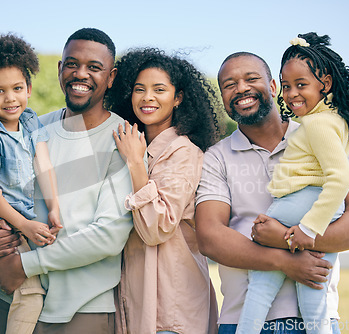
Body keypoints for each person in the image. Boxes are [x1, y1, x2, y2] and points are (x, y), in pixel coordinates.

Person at [195, 51, 349, 334]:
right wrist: (286, 260)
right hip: (241, 319)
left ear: (274, 87)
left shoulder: (320, 133)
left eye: (251, 79)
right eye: (229, 84)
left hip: (316, 321)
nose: (241, 88)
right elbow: (210, 238)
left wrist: (283, 238)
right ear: (223, 98)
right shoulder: (216, 157)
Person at [0, 28, 134, 334]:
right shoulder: (32, 126)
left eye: (94, 67)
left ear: (112, 77)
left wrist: (25, 265)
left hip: (81, 310)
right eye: (71, 64)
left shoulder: (123, 140)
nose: (81, 74)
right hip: (14, 296)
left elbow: (108, 236)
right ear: (59, 68)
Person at [104, 47, 219, 334]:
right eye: (139, 89)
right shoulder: (129, 143)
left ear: (177, 97)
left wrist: (134, 163)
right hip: (132, 301)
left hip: (172, 307)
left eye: (159, 89)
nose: (147, 98)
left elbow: (157, 227)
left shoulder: (184, 151)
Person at [0, 32, 62, 334]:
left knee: (10, 295)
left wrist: (55, 207)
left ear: (29, 89)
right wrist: (25, 225)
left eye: (17, 88)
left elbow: (43, 164)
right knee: (27, 295)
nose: (10, 98)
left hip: (28, 220)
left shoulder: (31, 120)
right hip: (4, 225)